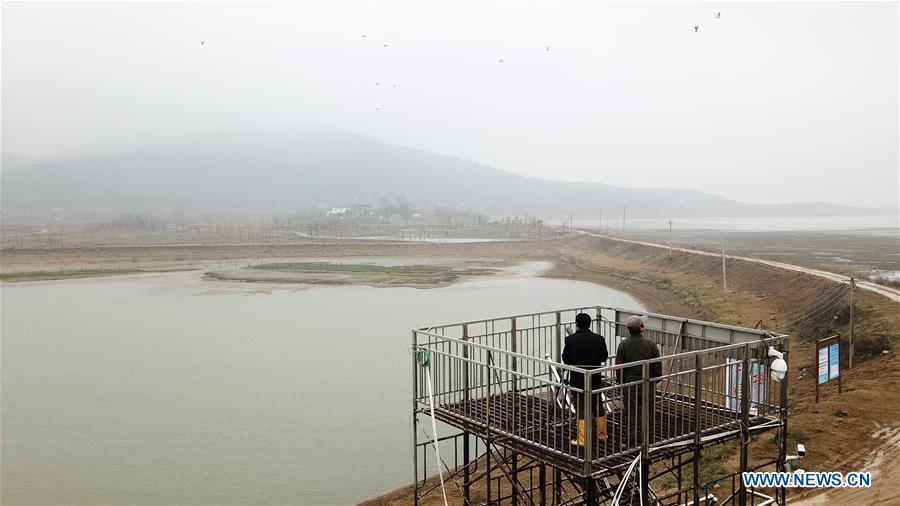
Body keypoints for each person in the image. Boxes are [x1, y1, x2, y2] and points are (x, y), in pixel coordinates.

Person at [562, 312, 609, 446]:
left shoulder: (570, 340)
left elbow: (566, 359)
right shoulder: (599, 339)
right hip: (594, 377)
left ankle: (583, 439)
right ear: (589, 324)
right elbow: (603, 357)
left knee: (581, 407)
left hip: (578, 379)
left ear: (576, 325)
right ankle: (601, 434)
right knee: (598, 404)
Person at [615, 315, 662, 447]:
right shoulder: (651, 344)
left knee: (630, 413)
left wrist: (621, 381)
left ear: (628, 329)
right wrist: (656, 379)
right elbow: (657, 364)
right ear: (641, 328)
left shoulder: (623, 344)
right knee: (649, 412)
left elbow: (619, 365)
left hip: (630, 385)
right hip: (647, 384)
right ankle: (649, 439)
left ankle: (631, 441)